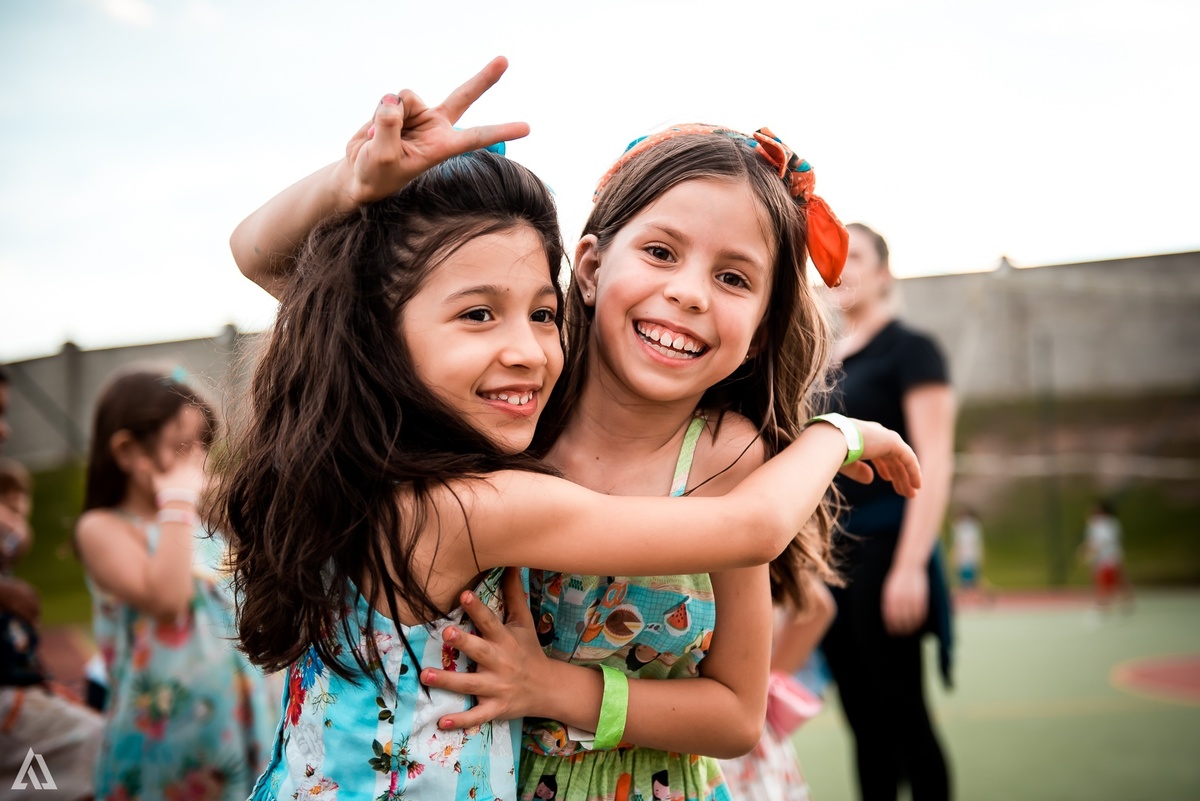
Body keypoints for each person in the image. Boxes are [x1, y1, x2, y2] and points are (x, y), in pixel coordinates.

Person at [222, 60, 922, 801]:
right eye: (660, 251)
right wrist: (836, 433)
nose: (686, 292)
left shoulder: (712, 451)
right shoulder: (504, 423)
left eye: (734, 277)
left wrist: (556, 688)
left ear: (761, 328)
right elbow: (325, 286)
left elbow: (737, 713)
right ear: (588, 266)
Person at [74, 367, 276, 800]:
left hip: (234, 726)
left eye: (203, 444)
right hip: (161, 741)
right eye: (181, 446)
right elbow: (168, 600)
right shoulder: (104, 528)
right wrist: (178, 500)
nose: (197, 460)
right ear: (128, 452)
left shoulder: (198, 523)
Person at [820, 222, 955, 801]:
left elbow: (936, 461)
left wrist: (909, 565)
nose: (843, 267)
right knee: (862, 724)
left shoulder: (911, 349)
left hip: (889, 548)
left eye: (858, 256)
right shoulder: (822, 362)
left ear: (884, 273)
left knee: (904, 715)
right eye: (835, 256)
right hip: (833, 558)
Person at [0, 399, 103, 800]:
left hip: (17, 678)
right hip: (9, 696)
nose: (6, 429)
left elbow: (16, 542)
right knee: (98, 748)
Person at [717, 575, 834, 800]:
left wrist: (759, 686)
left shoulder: (729, 544)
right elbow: (818, 607)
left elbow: (817, 606)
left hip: (721, 748)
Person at [1082, 500, 1132, 613]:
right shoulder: (1097, 523)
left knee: (1110, 581)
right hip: (1105, 557)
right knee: (1115, 580)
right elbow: (1092, 540)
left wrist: (1090, 551)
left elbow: (1102, 541)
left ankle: (1107, 604)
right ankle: (1121, 601)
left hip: (1108, 557)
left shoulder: (1106, 523)